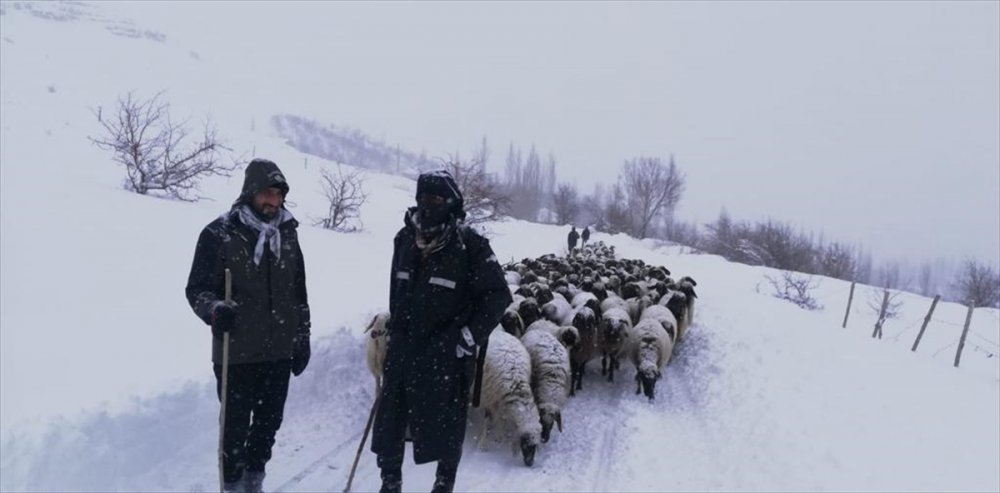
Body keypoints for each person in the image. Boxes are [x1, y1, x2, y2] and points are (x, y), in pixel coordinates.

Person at [371, 169, 512, 493]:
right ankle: (389, 482)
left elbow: (498, 295)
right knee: (390, 422)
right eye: (423, 198)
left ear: (451, 202)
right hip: (405, 348)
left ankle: (444, 483)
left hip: (446, 354)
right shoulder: (404, 239)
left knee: (447, 426)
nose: (428, 204)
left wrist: (468, 336)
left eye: (436, 198)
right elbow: (397, 288)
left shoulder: (471, 245)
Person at [185, 158, 312, 493]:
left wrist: (302, 337)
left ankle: (254, 482)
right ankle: (231, 486)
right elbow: (196, 288)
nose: (272, 201)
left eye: (278, 194)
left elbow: (298, 293)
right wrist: (214, 310)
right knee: (235, 428)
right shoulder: (219, 233)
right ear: (250, 193)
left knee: (269, 424)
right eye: (266, 193)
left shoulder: (288, 234)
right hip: (237, 350)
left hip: (279, 349)